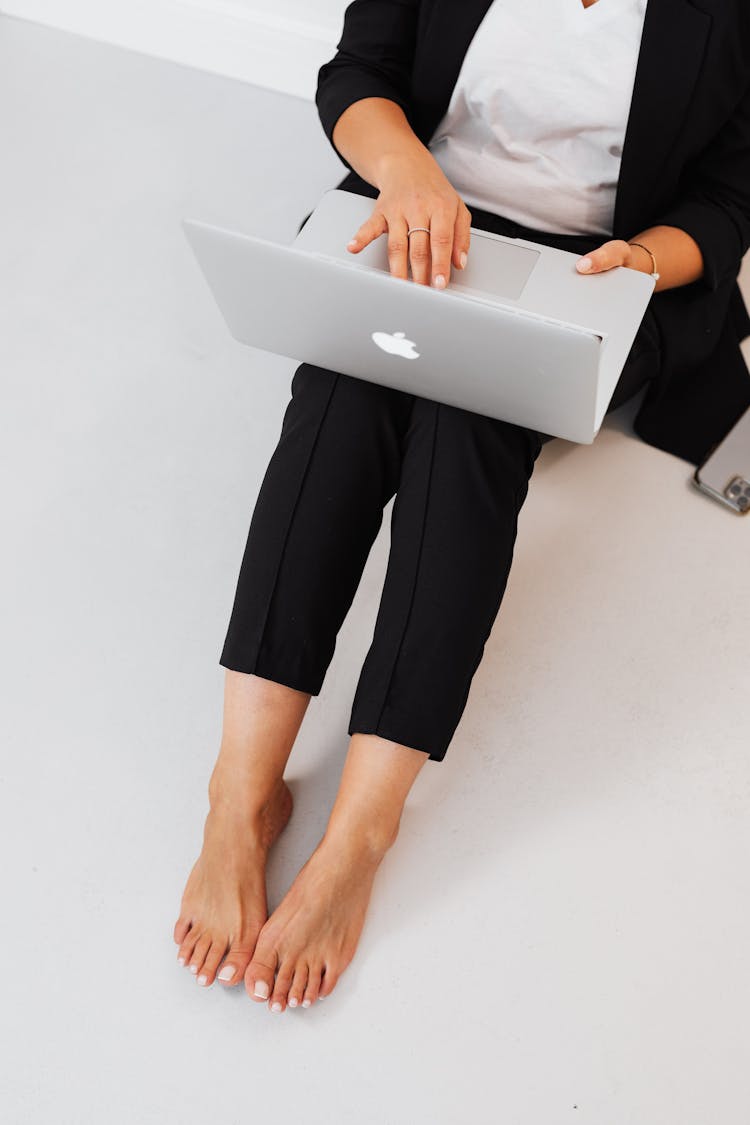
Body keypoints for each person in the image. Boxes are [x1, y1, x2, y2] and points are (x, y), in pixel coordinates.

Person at [173, 0, 750, 1012]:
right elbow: (359, 76)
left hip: (582, 269)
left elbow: (731, 196)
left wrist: (645, 264)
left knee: (468, 426)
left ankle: (361, 830)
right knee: (343, 404)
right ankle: (239, 796)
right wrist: (409, 174)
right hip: (414, 210)